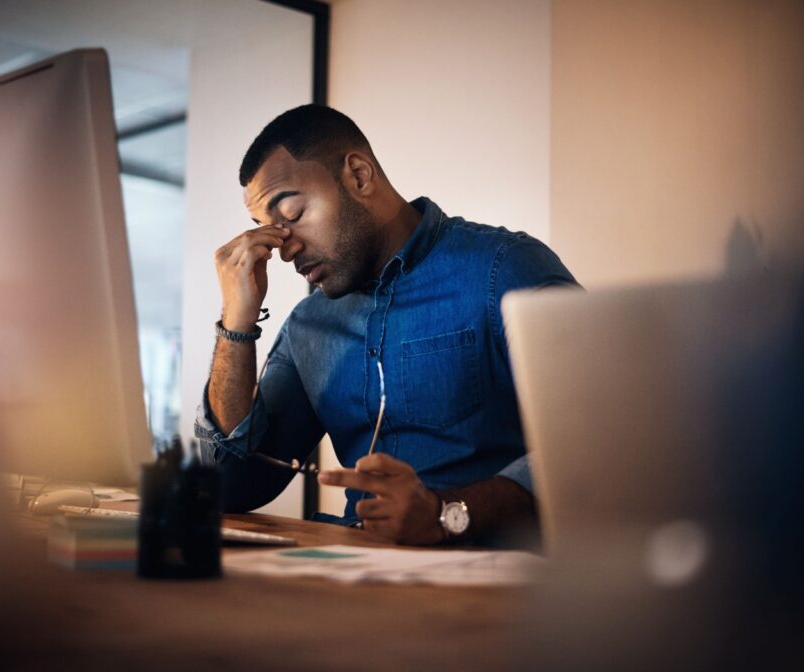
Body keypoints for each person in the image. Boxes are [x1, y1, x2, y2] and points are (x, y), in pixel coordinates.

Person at [195, 104, 578, 546]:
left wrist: (445, 514)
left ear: (358, 175)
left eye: (294, 215)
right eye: (268, 230)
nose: (284, 250)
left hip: (488, 588)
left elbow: (596, 439)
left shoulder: (504, 269)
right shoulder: (309, 326)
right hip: (356, 579)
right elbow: (232, 487)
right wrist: (235, 323)